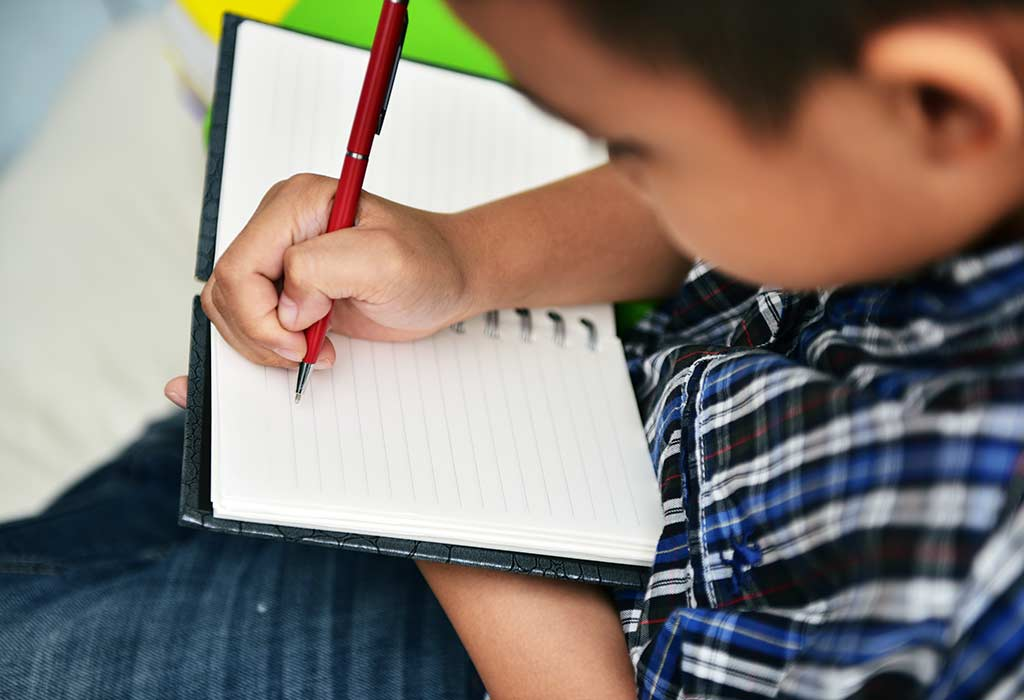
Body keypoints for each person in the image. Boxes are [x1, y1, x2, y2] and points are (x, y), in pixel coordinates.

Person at [5, 1, 1024, 698]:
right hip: (508, 449)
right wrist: (461, 256)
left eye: (629, 142)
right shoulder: (896, 134)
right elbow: (745, 195)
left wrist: (437, 500)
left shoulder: (975, 576)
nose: (614, 162)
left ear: (941, 107)